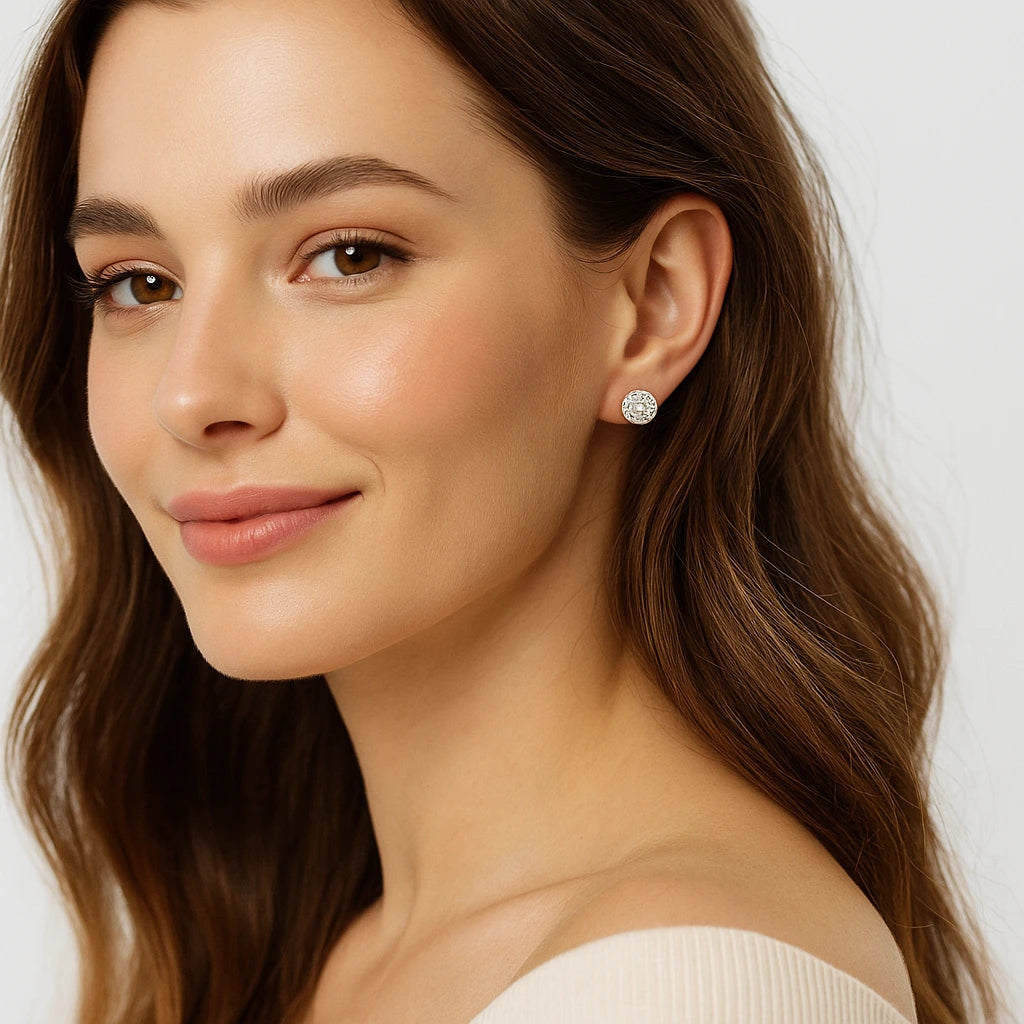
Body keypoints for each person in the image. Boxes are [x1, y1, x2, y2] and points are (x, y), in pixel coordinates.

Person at [0, 0, 1010, 1022]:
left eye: (349, 255)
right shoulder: (305, 950)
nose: (191, 394)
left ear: (653, 303)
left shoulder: (684, 987)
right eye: (138, 283)